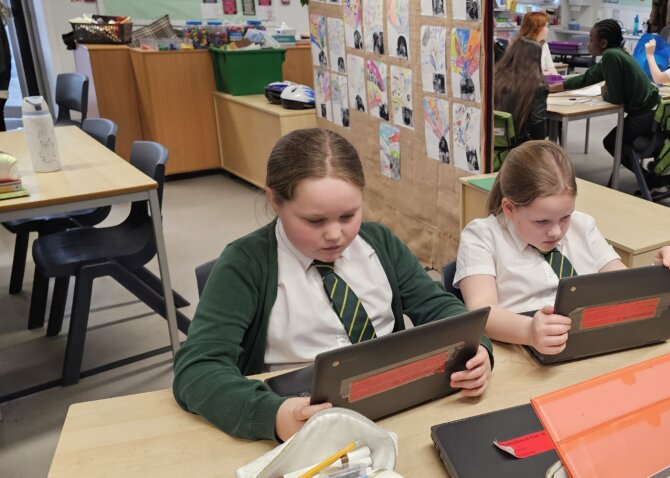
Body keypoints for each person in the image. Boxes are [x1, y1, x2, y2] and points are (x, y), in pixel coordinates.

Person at [172, 129, 493, 442]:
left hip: (394, 403)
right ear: (274, 201)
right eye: (315, 221)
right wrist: (273, 415)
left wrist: (478, 352)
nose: (335, 234)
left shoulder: (379, 242)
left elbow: (442, 309)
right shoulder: (246, 263)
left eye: (348, 216)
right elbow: (199, 368)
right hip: (301, 414)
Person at [455, 140, 670, 355]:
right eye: (542, 221)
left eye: (565, 217)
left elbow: (622, 281)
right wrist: (529, 331)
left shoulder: (582, 225)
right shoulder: (482, 236)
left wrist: (658, 271)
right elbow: (482, 310)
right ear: (509, 209)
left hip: (588, 344)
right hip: (521, 349)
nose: (556, 232)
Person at [552, 20, 662, 171]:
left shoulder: (611, 55)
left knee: (612, 142)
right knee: (616, 140)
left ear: (603, 42)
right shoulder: (616, 53)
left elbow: (615, 98)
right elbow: (589, 77)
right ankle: (653, 178)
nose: (588, 43)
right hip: (653, 110)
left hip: (645, 114)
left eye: (591, 39)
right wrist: (557, 87)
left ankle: (649, 180)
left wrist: (605, 93)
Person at [494, 38, 549, 142]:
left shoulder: (496, 78)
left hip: (494, 144)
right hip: (521, 146)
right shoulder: (537, 86)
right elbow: (538, 126)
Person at [517, 11, 559, 76]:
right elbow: (526, 74)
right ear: (537, 28)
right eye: (546, 26)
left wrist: (555, 75)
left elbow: (551, 68)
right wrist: (547, 74)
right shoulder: (521, 46)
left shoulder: (544, 45)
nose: (548, 30)